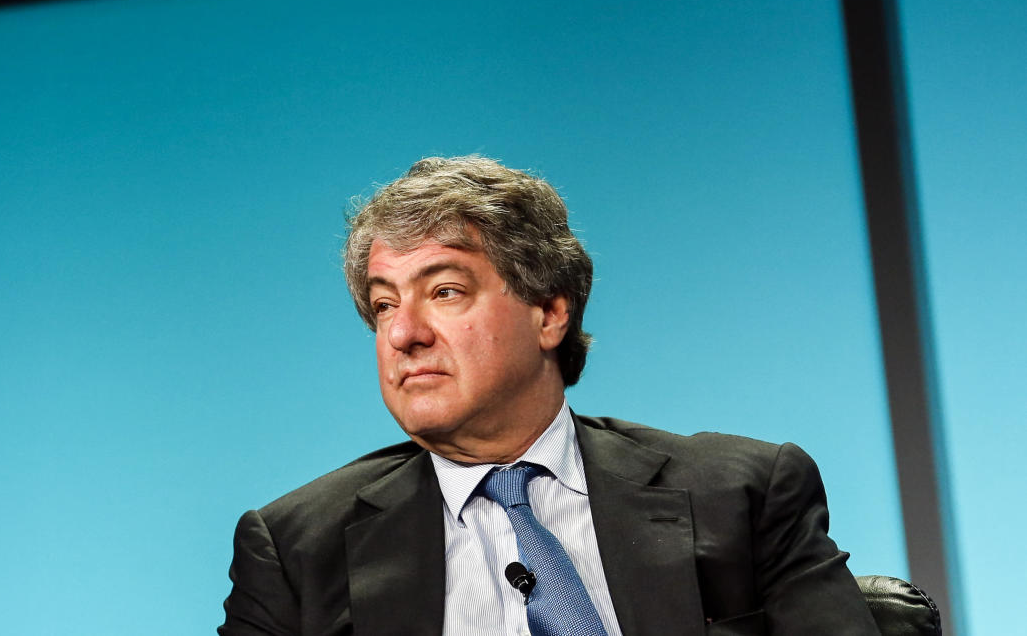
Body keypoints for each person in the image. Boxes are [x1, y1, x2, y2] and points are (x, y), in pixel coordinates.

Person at [219, 155, 879, 636]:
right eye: (383, 303)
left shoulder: (740, 496)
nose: (404, 332)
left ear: (549, 311)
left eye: (445, 291)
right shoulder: (295, 552)